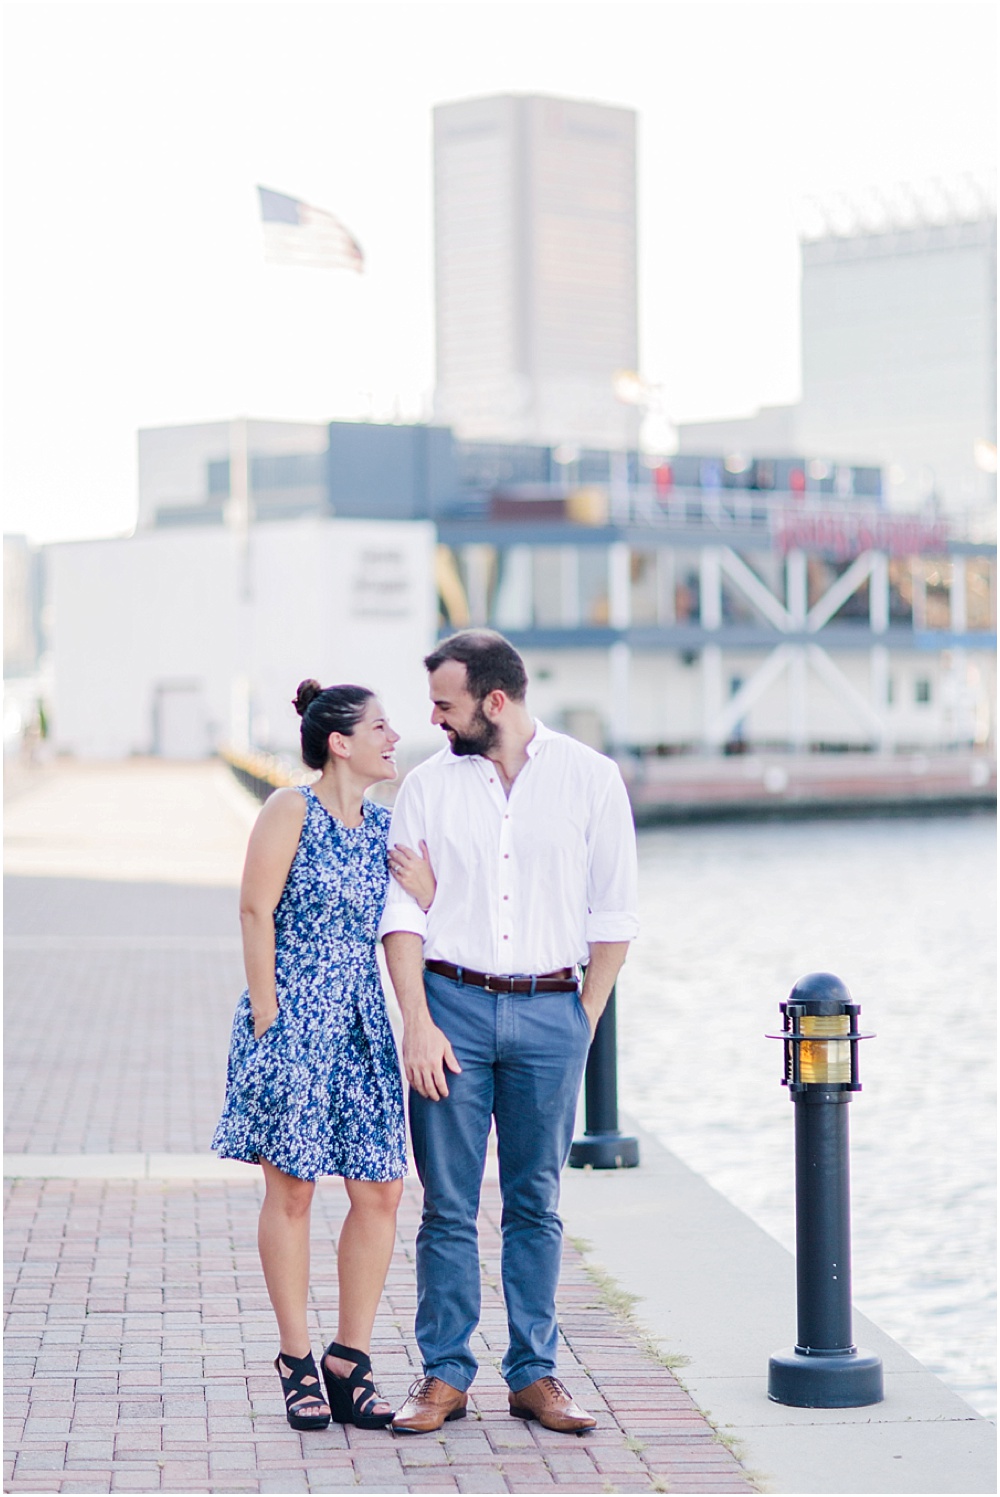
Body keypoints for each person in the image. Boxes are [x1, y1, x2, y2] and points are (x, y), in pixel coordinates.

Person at [380, 631, 639, 1434]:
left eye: (445, 704)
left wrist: (580, 1020)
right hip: (449, 1009)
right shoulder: (426, 785)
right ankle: (444, 1374)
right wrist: (416, 1022)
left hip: (551, 1011)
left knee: (536, 1201)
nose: (433, 718)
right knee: (448, 1205)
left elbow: (615, 913)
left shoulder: (592, 780)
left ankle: (535, 1373)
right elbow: (402, 913)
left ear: (496, 702)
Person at [212, 681, 435, 1432]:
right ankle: (296, 1358)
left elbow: (417, 914)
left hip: (363, 1022)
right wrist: (270, 1013)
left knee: (380, 1190)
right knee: (296, 1189)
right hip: (295, 1018)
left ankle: (350, 1358)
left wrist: (430, 890)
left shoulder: (383, 828)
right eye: (380, 725)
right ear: (339, 741)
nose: (393, 736)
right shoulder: (289, 810)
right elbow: (254, 908)